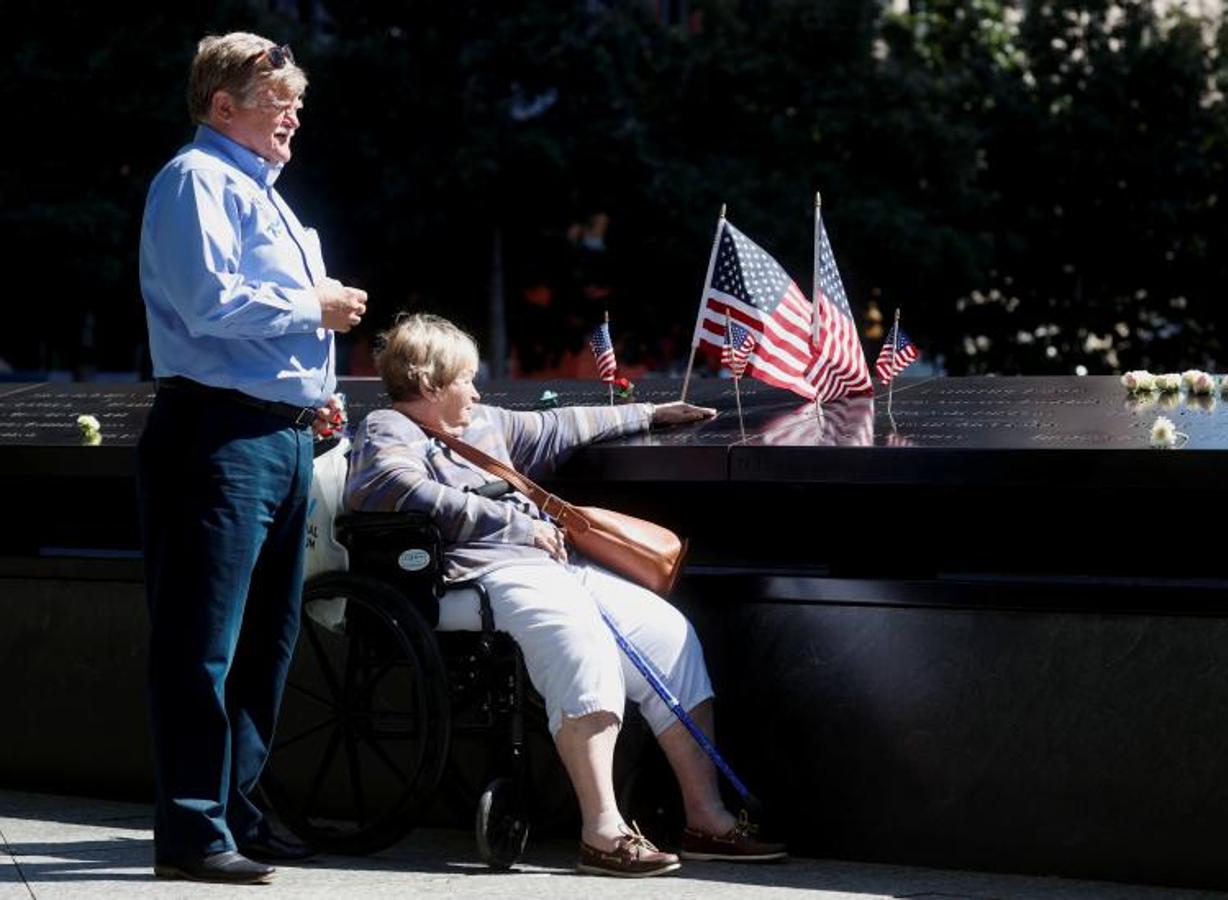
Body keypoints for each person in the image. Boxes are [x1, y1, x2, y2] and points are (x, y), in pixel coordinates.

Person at [346, 314, 787, 877]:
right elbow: (387, 487)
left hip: (549, 566)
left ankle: (706, 816)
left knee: (667, 631)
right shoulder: (389, 429)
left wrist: (650, 413)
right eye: (465, 379)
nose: (477, 391)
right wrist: (510, 524)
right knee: (579, 637)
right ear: (430, 383)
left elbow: (565, 423)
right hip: (470, 577)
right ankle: (602, 830)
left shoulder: (484, 423)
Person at [137, 32, 368, 885]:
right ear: (222, 106)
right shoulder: (195, 180)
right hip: (216, 438)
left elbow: (257, 326)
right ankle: (195, 830)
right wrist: (314, 303)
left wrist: (317, 391)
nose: (294, 116)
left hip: (279, 436)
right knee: (202, 645)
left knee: (266, 641)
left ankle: (236, 812)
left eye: (297, 103)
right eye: (278, 103)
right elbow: (209, 305)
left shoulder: (264, 194)